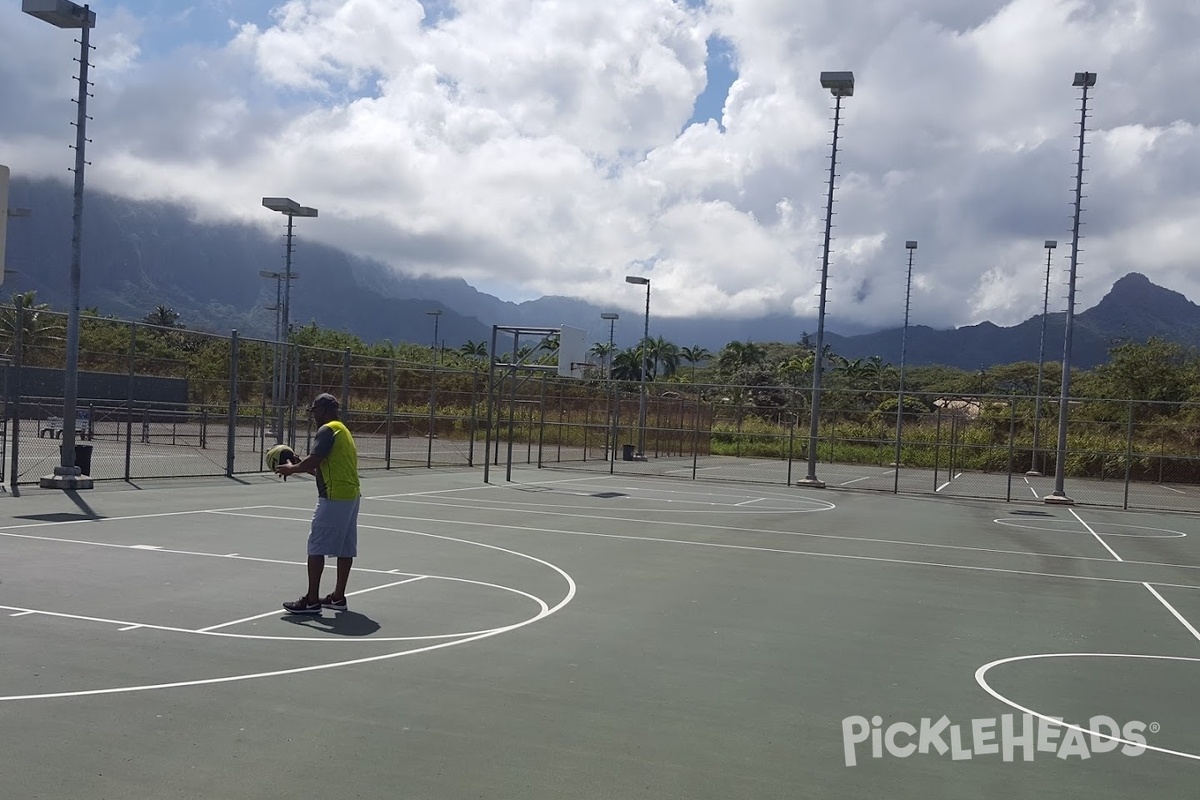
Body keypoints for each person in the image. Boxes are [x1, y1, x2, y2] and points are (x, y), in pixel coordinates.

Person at [276, 393, 361, 614]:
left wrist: (292, 469)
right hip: (350, 495)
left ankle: (312, 599)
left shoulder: (327, 430)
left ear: (322, 411)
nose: (313, 416)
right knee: (345, 547)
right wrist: (298, 464)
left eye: (314, 412)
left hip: (334, 497)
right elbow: (322, 468)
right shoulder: (343, 430)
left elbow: (314, 461)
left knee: (316, 546)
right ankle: (338, 597)